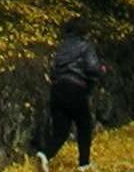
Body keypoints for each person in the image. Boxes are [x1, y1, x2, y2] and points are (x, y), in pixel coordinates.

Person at [38, 17, 105, 172]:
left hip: (57, 90)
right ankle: (84, 164)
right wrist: (102, 70)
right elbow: (92, 68)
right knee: (84, 126)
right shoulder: (85, 47)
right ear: (84, 32)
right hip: (75, 88)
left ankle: (44, 155)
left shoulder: (61, 48)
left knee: (61, 131)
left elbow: (54, 71)